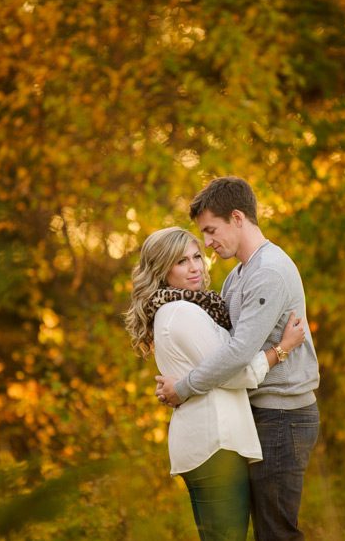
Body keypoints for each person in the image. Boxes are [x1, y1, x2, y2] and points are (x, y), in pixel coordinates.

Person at [155, 177, 321, 541]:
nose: (209, 242)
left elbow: (237, 352)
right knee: (266, 531)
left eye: (211, 230)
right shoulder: (238, 277)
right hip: (262, 413)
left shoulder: (269, 272)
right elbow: (219, 341)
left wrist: (183, 387)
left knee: (277, 532)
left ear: (237, 217)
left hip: (284, 415)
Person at [125, 226, 306, 541]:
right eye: (181, 261)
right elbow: (237, 372)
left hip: (209, 441)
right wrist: (282, 349)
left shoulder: (188, 308)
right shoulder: (182, 312)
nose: (195, 267)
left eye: (197, 257)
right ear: (161, 269)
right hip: (214, 442)